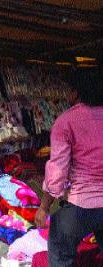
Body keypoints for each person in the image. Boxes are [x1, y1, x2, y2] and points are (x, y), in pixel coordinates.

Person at [35, 67, 103, 267]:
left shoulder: (65, 122)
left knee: (59, 253)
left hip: (81, 205)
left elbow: (57, 173)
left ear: (75, 92)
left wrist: (44, 207)